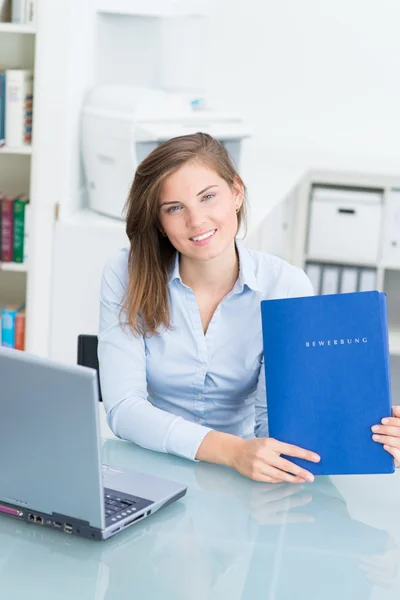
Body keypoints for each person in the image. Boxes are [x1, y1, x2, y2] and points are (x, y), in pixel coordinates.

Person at [98, 132, 400, 484]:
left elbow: (282, 423)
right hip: (154, 464)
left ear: (236, 193)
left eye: (208, 197)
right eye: (174, 208)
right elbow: (123, 410)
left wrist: (373, 435)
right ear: (159, 222)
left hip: (244, 475)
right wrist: (231, 451)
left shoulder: (285, 286)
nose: (196, 221)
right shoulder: (126, 273)